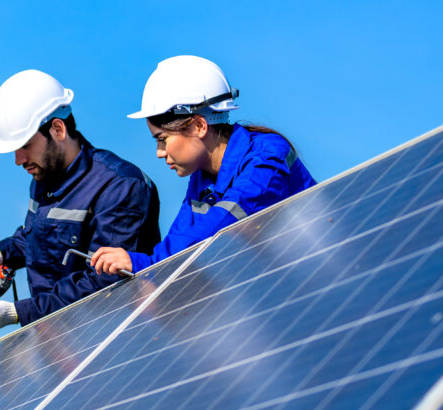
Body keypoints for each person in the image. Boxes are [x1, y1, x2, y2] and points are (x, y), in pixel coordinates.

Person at [0, 69, 160, 334]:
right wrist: (1, 252)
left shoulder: (120, 186)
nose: (18, 160)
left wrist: (21, 312)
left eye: (24, 145)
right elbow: (38, 238)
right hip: (57, 344)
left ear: (57, 129)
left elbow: (106, 284)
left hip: (109, 342)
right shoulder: (44, 176)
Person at [91, 56, 316, 276]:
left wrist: (141, 264)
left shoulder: (266, 158)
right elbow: (180, 239)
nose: (159, 153)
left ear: (199, 125)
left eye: (163, 139)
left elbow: (221, 229)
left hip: (319, 274)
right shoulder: (203, 177)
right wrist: (148, 266)